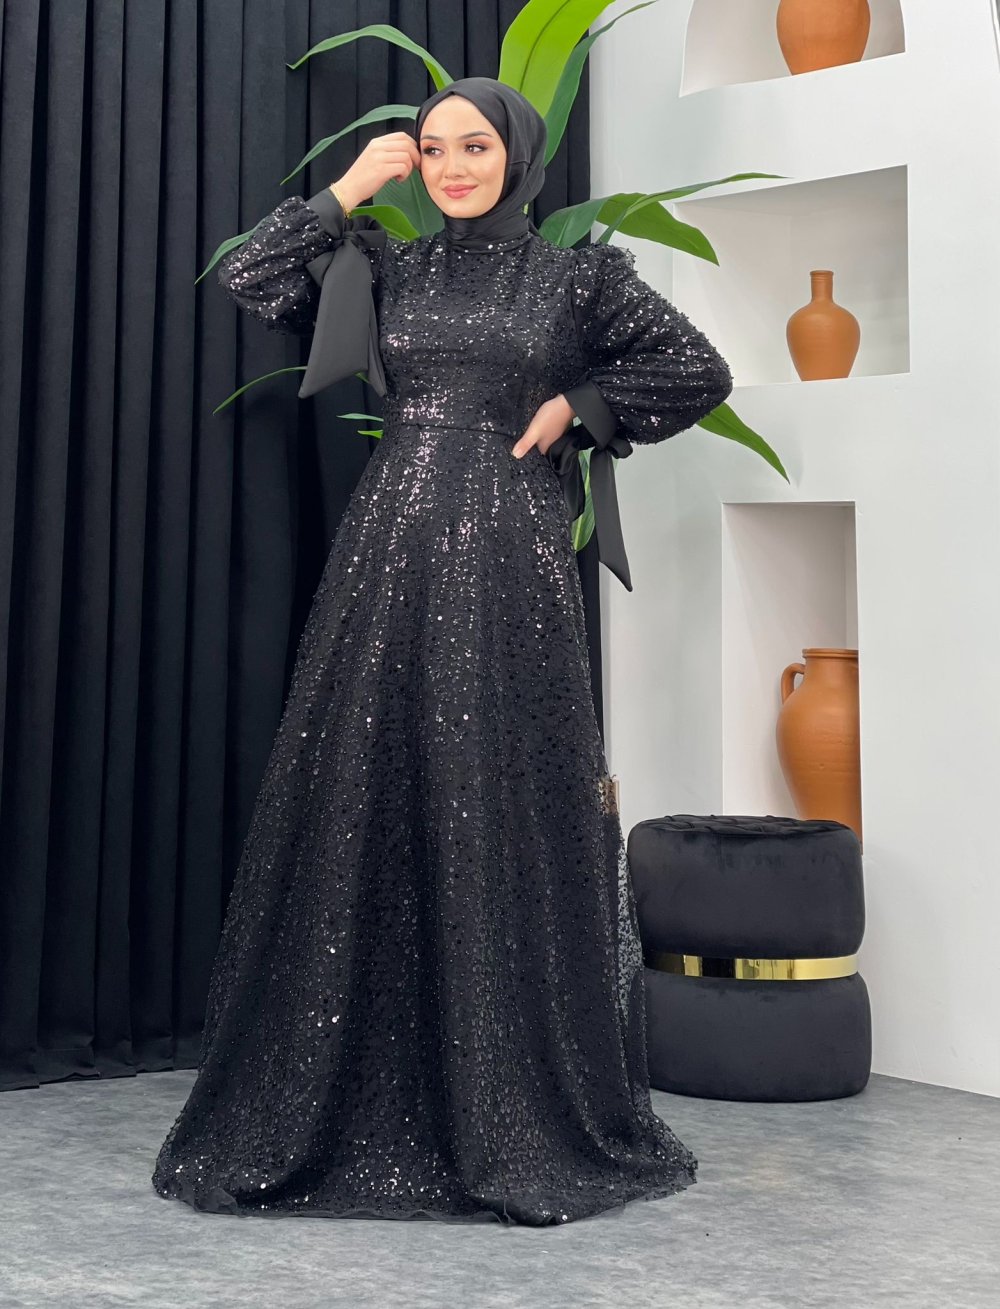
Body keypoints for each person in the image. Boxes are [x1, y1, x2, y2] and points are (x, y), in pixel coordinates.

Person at [151, 76, 733, 1226]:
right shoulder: (394, 267)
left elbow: (697, 370)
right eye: (433, 149)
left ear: (517, 155)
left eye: (475, 146)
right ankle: (367, 1084)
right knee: (371, 785)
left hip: (511, 550)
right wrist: (347, 190)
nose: (454, 166)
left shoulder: (579, 279)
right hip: (391, 546)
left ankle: (504, 1098)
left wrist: (581, 408)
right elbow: (250, 277)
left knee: (493, 791)